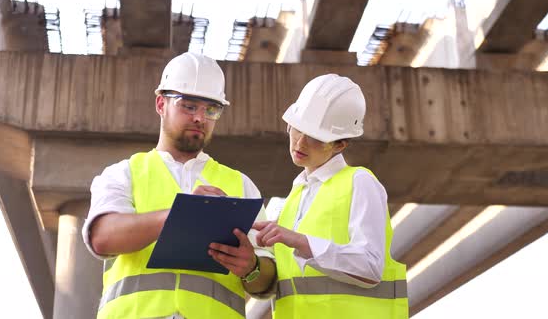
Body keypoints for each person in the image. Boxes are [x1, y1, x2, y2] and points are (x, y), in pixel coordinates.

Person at [82, 52, 275, 319]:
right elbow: (102, 238)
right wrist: (180, 215)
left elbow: (267, 282)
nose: (200, 118)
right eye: (189, 106)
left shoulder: (240, 185)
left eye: (211, 109)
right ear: (161, 104)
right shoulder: (124, 173)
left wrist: (252, 266)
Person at [252, 74, 409, 318]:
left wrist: (300, 241)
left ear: (340, 145)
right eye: (298, 129)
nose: (300, 143)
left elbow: (370, 266)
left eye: (316, 137)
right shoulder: (294, 198)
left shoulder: (359, 182)